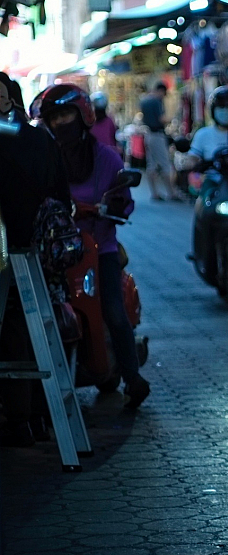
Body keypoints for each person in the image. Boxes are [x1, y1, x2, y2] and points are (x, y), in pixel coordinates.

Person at [34, 84, 151, 409]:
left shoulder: (106, 157)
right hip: (56, 249)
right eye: (54, 117)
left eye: (66, 115)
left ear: (82, 115)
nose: (61, 123)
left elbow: (123, 200)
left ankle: (133, 378)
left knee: (113, 309)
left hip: (100, 247)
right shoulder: (45, 157)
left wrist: (112, 207)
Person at [0, 73, 73, 445]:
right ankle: (37, 417)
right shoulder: (38, 139)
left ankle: (21, 417)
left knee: (15, 328)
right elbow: (62, 194)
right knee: (31, 329)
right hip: (39, 251)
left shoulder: (14, 139)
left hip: (11, 251)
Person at [139, 82, 179, 201]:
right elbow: (161, 119)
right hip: (157, 135)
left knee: (151, 165)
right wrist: (171, 119)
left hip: (148, 134)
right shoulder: (156, 101)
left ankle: (155, 193)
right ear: (161, 91)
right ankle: (171, 193)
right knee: (165, 164)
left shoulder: (144, 101)